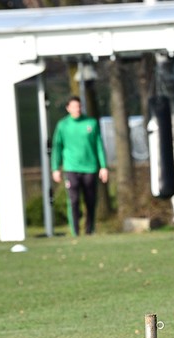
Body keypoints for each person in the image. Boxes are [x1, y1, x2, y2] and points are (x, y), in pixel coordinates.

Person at [51, 96, 109, 236]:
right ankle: (75, 232)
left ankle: (89, 230)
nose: (77, 109)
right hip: (71, 168)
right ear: (68, 108)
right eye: (74, 107)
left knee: (90, 200)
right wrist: (55, 168)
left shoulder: (91, 123)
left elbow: (99, 146)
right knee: (74, 200)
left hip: (90, 167)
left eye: (79, 106)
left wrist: (104, 166)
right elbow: (57, 147)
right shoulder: (63, 125)